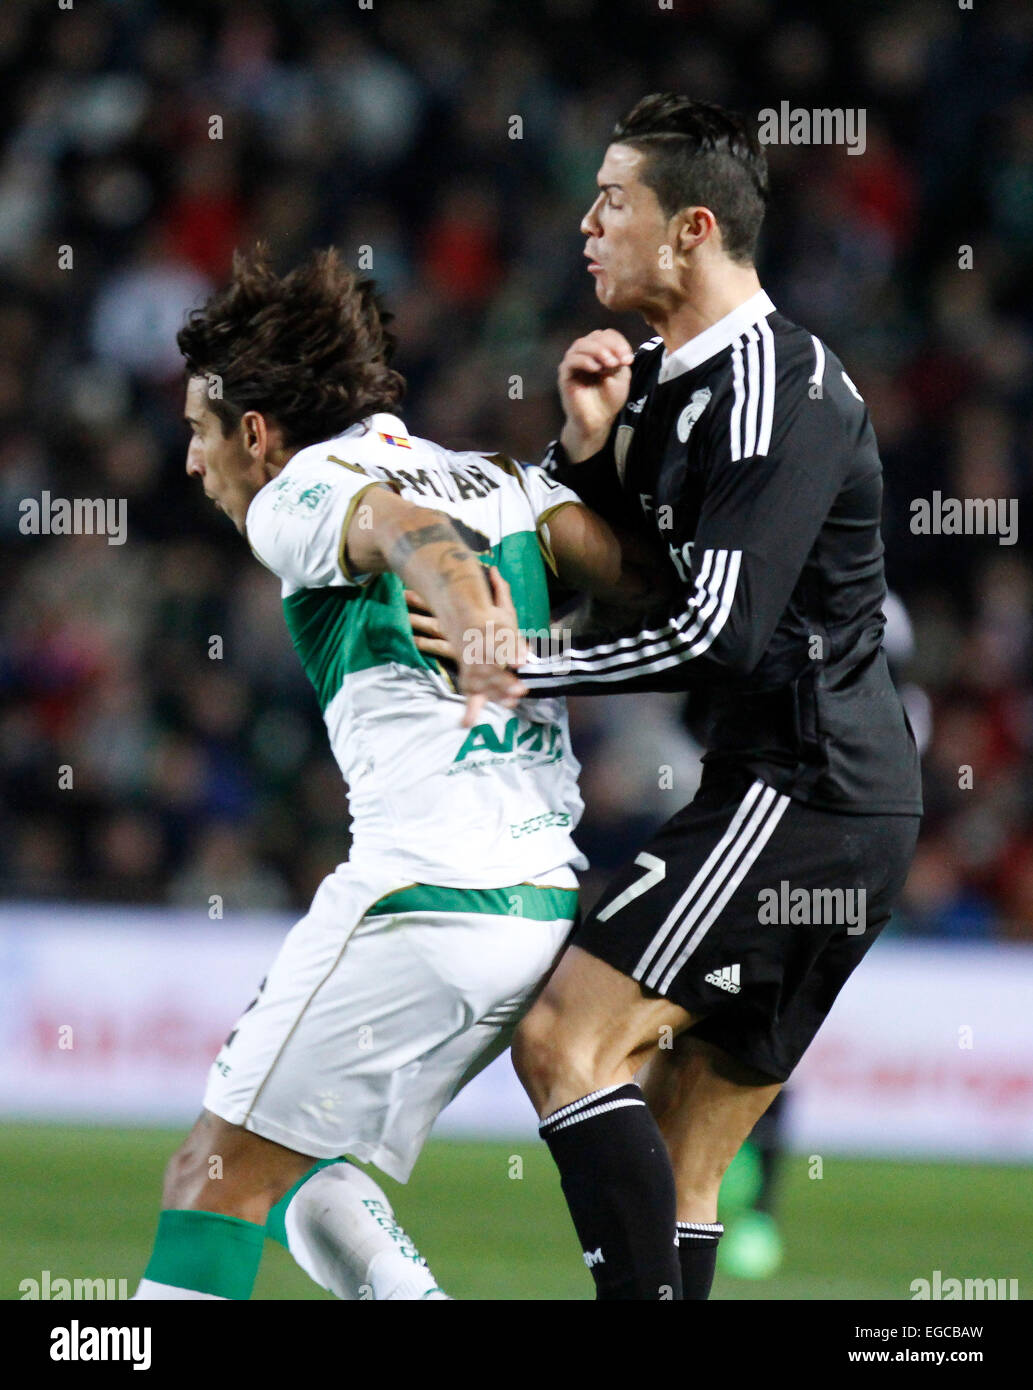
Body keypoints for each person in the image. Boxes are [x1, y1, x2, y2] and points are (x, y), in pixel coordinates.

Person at [132, 246, 643, 1301]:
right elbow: (639, 583)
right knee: (286, 1165)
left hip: (423, 894)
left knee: (211, 1174)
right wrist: (591, 459)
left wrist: (467, 605)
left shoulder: (300, 487)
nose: (192, 461)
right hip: (539, 907)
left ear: (256, 432)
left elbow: (404, 528)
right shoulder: (506, 477)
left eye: (197, 430)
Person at [482, 94, 922, 1300]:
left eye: (610, 201)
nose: (585, 225)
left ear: (687, 229)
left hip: (804, 786)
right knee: (682, 1157)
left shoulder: (776, 384)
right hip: (820, 793)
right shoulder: (678, 387)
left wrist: (518, 665)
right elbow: (639, 582)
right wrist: (584, 450)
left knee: (564, 1038)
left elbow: (715, 632)